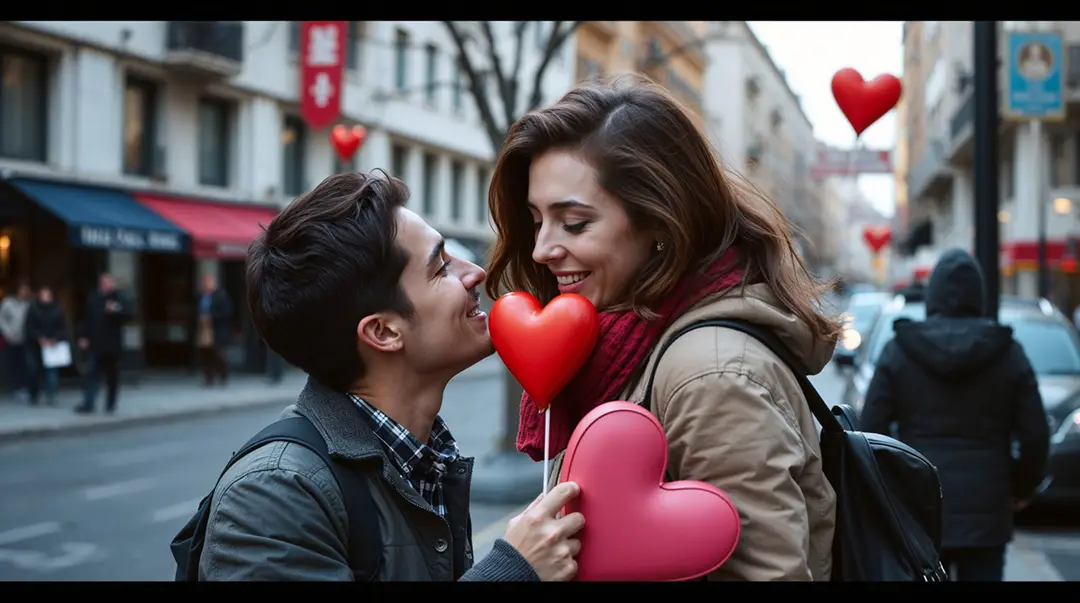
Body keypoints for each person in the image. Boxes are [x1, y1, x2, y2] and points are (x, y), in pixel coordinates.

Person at [486, 75, 841, 581]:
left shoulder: (711, 376)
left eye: (575, 222)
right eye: (537, 219)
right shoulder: (630, 345)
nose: (542, 249)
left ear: (659, 221)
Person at [198, 170, 584, 581]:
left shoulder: (424, 459)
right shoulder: (273, 494)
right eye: (441, 267)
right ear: (383, 332)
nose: (475, 273)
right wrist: (512, 571)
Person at [860, 248, 1050, 582]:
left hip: (920, 506)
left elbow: (872, 431)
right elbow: (1035, 433)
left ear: (932, 294)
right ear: (978, 295)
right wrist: (1020, 487)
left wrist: (894, 491)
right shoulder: (1008, 352)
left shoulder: (899, 350)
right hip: (987, 509)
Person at [75, 273, 134, 414]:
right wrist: (83, 336)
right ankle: (89, 403)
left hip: (112, 345)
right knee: (91, 374)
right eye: (104, 283)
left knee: (112, 377)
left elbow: (129, 314)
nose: (106, 285)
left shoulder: (119, 298)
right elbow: (86, 319)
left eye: (109, 283)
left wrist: (116, 310)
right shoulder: (94, 298)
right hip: (95, 344)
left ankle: (110, 403)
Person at [26, 284, 71, 405]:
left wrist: (54, 339)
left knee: (52, 372)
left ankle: (51, 396)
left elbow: (63, 328)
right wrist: (39, 338)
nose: (45, 297)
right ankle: (33, 395)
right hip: (36, 345)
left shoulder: (57, 309)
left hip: (52, 346)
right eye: (43, 295)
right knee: (33, 371)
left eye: (47, 295)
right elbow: (29, 327)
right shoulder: (33, 308)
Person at [195, 273, 233, 387]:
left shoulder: (220, 295)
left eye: (209, 282)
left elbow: (227, 312)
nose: (206, 284)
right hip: (204, 330)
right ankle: (209, 378)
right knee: (206, 355)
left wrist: (212, 317)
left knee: (219, 354)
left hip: (217, 330)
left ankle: (223, 375)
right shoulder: (201, 296)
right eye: (205, 282)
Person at [0, 279, 34, 403]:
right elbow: (2, 318)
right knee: (12, 364)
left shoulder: (30, 303)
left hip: (25, 338)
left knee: (25, 364)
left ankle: (25, 388)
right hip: (11, 338)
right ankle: (16, 388)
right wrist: (7, 332)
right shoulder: (8, 302)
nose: (24, 291)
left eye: (26, 289)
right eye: (22, 289)